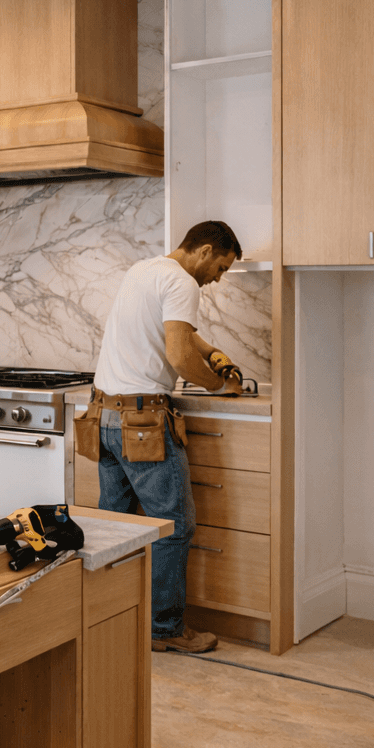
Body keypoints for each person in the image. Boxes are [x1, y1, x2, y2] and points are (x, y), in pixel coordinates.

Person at [86, 221, 243, 654]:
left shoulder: (143, 269)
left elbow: (176, 332)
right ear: (205, 250)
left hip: (103, 415)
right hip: (142, 423)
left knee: (114, 524)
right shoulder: (183, 282)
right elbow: (178, 355)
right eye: (221, 267)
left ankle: (108, 615)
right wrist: (218, 385)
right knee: (174, 525)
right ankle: (164, 628)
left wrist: (211, 351)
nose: (217, 278)